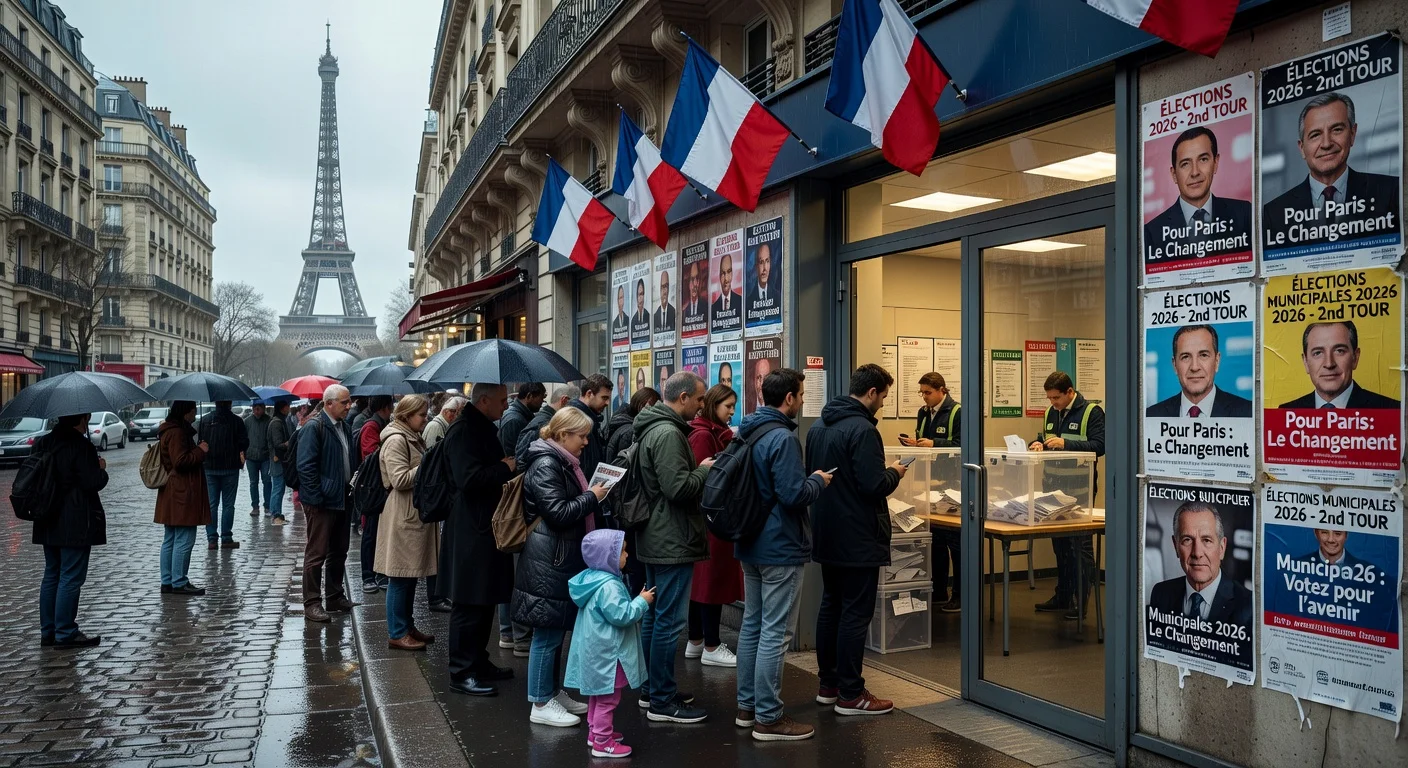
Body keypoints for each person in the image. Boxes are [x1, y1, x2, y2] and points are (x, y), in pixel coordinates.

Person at [735, 368, 830, 740]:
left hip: (750, 542)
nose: (804, 400)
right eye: (801, 395)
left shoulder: (747, 430)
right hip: (780, 546)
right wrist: (818, 482)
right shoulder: (782, 439)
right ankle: (769, 717)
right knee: (775, 633)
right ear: (788, 398)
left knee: (753, 626)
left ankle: (748, 708)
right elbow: (793, 495)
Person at [807, 364, 906, 716]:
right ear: (872, 393)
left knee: (831, 606)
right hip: (858, 536)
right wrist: (895, 471)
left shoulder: (819, 425)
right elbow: (872, 485)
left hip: (827, 532)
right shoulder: (863, 430)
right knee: (855, 613)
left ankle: (828, 684)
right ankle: (851, 693)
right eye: (883, 396)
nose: (882, 403)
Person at [513, 408, 610, 726]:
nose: (586, 441)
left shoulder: (560, 461)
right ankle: (540, 704)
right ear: (563, 434)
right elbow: (557, 512)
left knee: (554, 631)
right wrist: (592, 497)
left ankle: (551, 692)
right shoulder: (546, 463)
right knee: (546, 634)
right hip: (548, 559)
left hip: (557, 557)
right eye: (581, 435)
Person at [634, 371, 715, 723]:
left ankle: (654, 690)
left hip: (658, 535)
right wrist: (704, 470)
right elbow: (678, 488)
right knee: (668, 621)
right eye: (699, 399)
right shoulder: (668, 433)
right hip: (670, 538)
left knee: (655, 617)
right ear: (682, 398)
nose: (701, 405)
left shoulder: (655, 427)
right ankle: (663, 701)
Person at [441, 382, 518, 696]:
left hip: (484, 525)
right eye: (501, 401)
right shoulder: (463, 431)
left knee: (484, 599)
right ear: (483, 401)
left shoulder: (480, 425)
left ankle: (479, 660)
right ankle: (461, 671)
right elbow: (469, 479)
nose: (505, 406)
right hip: (471, 529)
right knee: (469, 601)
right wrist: (503, 467)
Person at [1263, 92, 1401, 245]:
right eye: (1315, 135)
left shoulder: (1392, 192)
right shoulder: (1274, 213)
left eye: (1336, 130)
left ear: (1352, 134)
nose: (1326, 143)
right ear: (1302, 148)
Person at [565, 529, 655, 758]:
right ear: (608, 557)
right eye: (622, 551)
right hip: (608, 654)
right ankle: (603, 743)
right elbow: (622, 615)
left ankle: (595, 732)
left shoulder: (593, 579)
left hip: (596, 653)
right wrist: (641, 602)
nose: (627, 555)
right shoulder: (610, 586)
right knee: (609, 698)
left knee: (597, 694)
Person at [1029, 371, 1106, 620]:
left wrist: (1067, 444)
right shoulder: (1050, 413)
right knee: (1060, 546)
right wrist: (1038, 444)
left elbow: (1100, 446)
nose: (1053, 403)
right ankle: (1062, 595)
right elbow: (1046, 438)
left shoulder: (1091, 412)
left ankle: (1080, 602)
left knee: (1079, 547)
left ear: (1070, 392)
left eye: (1056, 398)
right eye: (1049, 398)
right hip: (1052, 488)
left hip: (1078, 492)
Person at [31, 413, 108, 649]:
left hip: (47, 517)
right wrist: (101, 468)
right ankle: (65, 632)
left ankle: (48, 631)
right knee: (70, 576)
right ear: (82, 418)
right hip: (74, 519)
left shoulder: (44, 442)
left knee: (52, 573)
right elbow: (92, 482)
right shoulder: (81, 445)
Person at [684, 384, 743, 668]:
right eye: (728, 406)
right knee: (711, 583)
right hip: (712, 519)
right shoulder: (705, 435)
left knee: (704, 582)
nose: (732, 412)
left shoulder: (712, 432)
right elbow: (704, 480)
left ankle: (696, 640)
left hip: (707, 519)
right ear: (712, 406)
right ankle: (710, 644)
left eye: (733, 406)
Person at [376, 395, 439, 651]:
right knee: (400, 576)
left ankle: (407, 626)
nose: (426, 419)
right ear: (406, 416)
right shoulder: (396, 440)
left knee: (410, 575)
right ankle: (397, 631)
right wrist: (427, 463)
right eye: (422, 415)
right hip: (403, 514)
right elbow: (399, 479)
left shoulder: (410, 436)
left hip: (411, 512)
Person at [297, 385, 361, 624]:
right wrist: (316, 498)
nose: (349, 406)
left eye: (349, 402)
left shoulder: (344, 426)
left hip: (343, 497)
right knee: (317, 553)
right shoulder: (315, 427)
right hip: (323, 502)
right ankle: (312, 603)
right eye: (344, 402)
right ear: (328, 404)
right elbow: (306, 466)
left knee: (339, 550)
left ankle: (334, 596)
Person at [900, 372, 963, 613]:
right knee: (933, 539)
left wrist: (935, 444)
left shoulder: (957, 412)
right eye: (922, 392)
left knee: (955, 544)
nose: (924, 397)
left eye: (928, 392)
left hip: (953, 483)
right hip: (930, 482)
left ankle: (959, 594)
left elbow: (963, 444)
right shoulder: (923, 413)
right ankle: (938, 590)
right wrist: (915, 444)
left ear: (941, 391)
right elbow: (923, 439)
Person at [1143, 126, 1252, 252]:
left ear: (1215, 163)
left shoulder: (1244, 213)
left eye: (1203, 159)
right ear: (1174, 175)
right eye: (1185, 164)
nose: (1195, 172)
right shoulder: (1152, 233)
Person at [1147, 501, 1252, 627]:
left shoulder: (1248, 606)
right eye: (1187, 540)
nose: (1197, 553)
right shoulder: (1161, 594)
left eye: (1206, 540)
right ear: (1176, 547)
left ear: (1222, 548)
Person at [1279, 321, 1400, 409]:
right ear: (1305, 362)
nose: (1329, 363)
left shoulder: (1391, 410)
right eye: (1318, 353)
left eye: (1339, 351)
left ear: (1355, 358)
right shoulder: (1286, 412)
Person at [156, 401, 210, 597]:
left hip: (172, 491)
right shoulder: (177, 433)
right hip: (182, 491)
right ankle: (178, 581)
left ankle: (167, 580)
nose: (196, 411)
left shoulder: (170, 430)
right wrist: (200, 450)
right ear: (186, 412)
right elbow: (180, 461)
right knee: (184, 538)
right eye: (193, 408)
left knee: (170, 538)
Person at [1147, 325, 1254, 417]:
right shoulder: (1152, 415)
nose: (1194, 367)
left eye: (1203, 355)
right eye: (1185, 357)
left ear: (1217, 361)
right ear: (1175, 365)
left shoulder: (1248, 412)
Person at [199, 400, 248, 550]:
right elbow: (244, 443)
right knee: (228, 504)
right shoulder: (237, 421)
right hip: (230, 468)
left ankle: (212, 539)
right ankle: (226, 537)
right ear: (230, 404)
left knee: (212, 504)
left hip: (210, 467)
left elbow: (200, 442)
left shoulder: (205, 420)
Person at [359, 395, 395, 595]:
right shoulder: (371, 427)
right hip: (373, 488)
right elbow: (371, 455)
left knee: (379, 532)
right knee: (371, 533)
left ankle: (379, 573)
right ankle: (368, 576)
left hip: (381, 488)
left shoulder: (381, 425)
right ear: (385, 407)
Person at [516, 385, 578, 468]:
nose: (576, 413)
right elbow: (522, 460)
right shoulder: (544, 424)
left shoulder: (548, 421)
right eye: (575, 407)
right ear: (564, 400)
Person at [569, 374, 613, 477]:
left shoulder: (591, 418)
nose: (607, 403)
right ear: (589, 394)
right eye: (604, 398)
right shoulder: (574, 418)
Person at [605, 387, 658, 461]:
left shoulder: (621, 420)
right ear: (640, 405)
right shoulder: (630, 431)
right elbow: (626, 464)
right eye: (649, 408)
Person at [499, 382, 546, 457]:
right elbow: (512, 455)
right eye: (541, 398)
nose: (542, 401)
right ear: (529, 396)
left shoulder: (524, 415)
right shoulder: (514, 420)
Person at [243, 403, 274, 518]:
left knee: (267, 481)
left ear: (263, 409)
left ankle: (268, 506)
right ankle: (255, 506)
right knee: (253, 483)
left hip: (265, 456)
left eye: (259, 408)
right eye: (255, 408)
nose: (257, 411)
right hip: (251, 457)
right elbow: (244, 438)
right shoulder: (247, 421)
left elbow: (271, 438)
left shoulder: (269, 421)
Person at [266, 401, 292, 525]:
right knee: (277, 487)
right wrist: (288, 443)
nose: (289, 408)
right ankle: (276, 515)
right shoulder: (277, 423)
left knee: (279, 488)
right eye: (287, 406)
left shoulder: (280, 421)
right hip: (278, 460)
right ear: (283, 408)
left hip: (280, 460)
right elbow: (277, 444)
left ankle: (277, 513)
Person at [711, 254, 742, 320]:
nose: (726, 279)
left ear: (732, 274)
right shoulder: (713, 308)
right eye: (723, 273)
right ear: (719, 276)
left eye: (728, 272)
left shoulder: (740, 302)